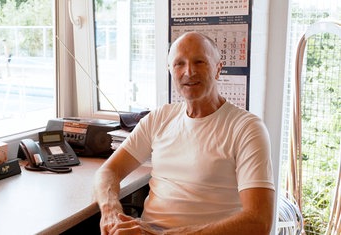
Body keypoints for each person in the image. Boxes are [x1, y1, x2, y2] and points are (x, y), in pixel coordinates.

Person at [93, 31, 275, 235]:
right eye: (179, 63)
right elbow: (108, 171)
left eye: (199, 62)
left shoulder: (246, 128)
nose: (189, 72)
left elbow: (259, 222)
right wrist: (110, 213)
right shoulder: (159, 118)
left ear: (218, 69)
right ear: (170, 70)